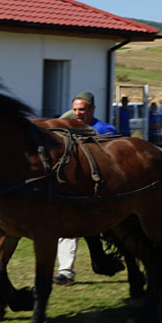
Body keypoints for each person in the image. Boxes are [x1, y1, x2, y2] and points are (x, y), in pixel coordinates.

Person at [54, 92, 117, 286]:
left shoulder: (104, 130)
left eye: (82, 109)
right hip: (75, 188)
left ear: (92, 109)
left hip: (100, 189)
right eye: (75, 109)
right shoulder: (68, 127)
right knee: (66, 228)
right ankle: (65, 271)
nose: (78, 113)